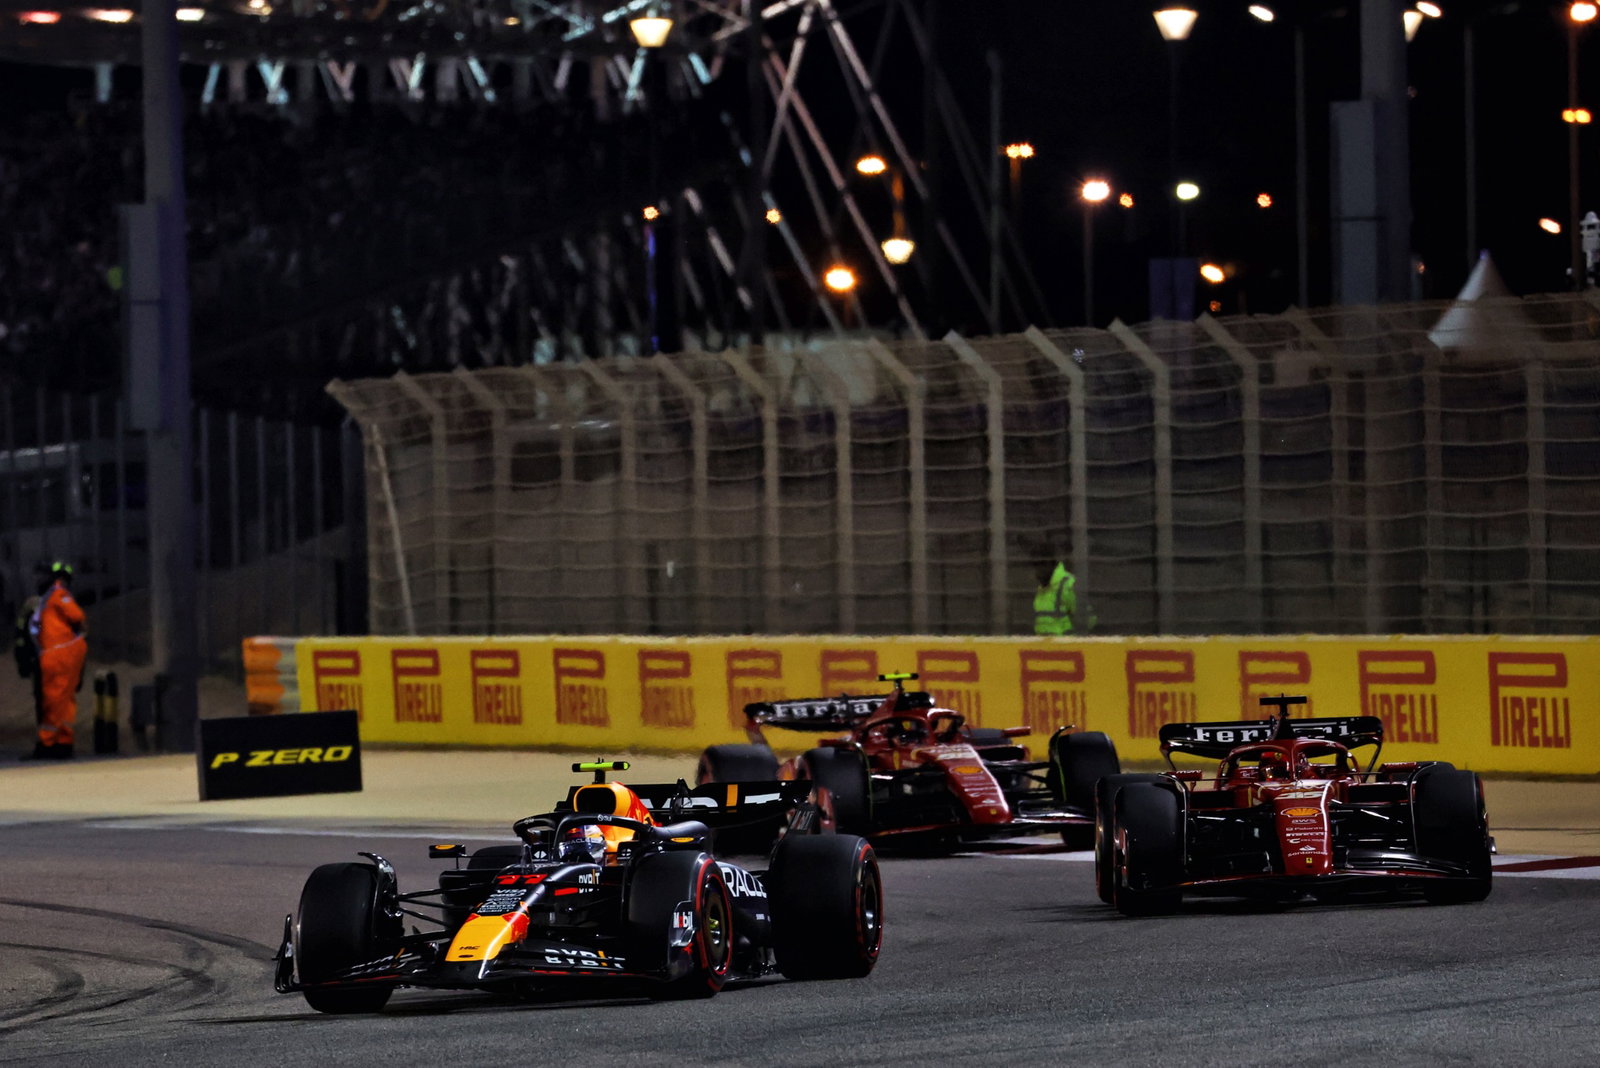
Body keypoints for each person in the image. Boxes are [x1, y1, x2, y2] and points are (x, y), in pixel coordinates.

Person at [26, 561, 86, 760]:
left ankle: (47, 742)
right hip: (59, 652)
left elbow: (77, 615)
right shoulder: (51, 596)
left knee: (53, 698)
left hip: (59, 653)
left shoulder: (57, 594)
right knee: (65, 699)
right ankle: (63, 742)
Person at [1033, 561, 1081, 636]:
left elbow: (1086, 620)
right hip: (1043, 645)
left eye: (1039, 567)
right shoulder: (1042, 588)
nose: (1036, 573)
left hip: (1067, 645)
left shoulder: (1068, 584)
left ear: (1049, 565)